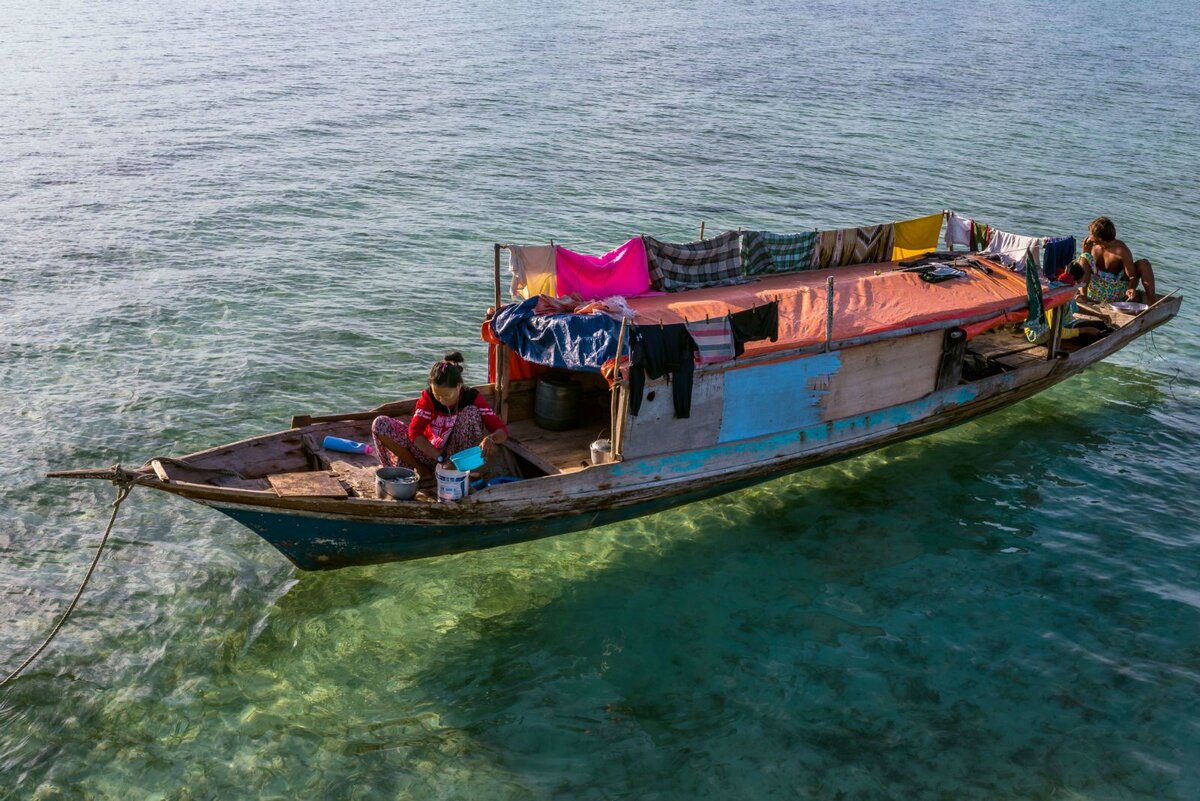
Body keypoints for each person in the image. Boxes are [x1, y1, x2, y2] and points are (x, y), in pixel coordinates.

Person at [371, 352, 508, 478]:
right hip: (431, 453)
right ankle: (422, 471)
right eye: (437, 395)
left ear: (459, 386)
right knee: (380, 423)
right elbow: (414, 432)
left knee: (470, 412)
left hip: (457, 457)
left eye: (447, 395)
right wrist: (440, 458)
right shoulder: (428, 397)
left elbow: (501, 430)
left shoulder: (471, 397)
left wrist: (491, 438)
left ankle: (460, 471)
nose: (442, 400)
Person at [1082, 217, 1157, 304]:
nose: (1089, 237)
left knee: (1144, 264)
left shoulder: (1120, 250)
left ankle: (1152, 302)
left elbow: (1132, 277)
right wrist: (1085, 251)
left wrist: (1131, 288)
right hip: (1095, 290)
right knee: (1084, 257)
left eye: (1091, 234)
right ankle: (1083, 297)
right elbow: (1083, 269)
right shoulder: (1091, 245)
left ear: (1100, 238)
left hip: (1115, 291)